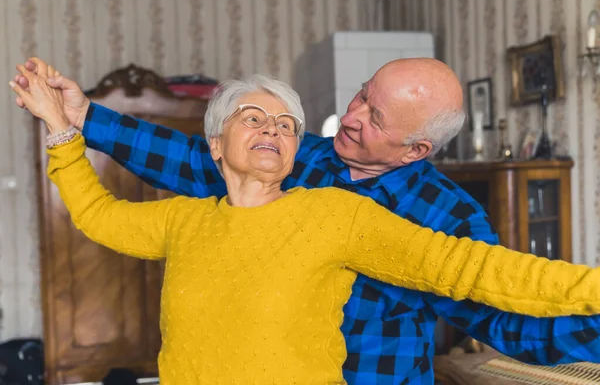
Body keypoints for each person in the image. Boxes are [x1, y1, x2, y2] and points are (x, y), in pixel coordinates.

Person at [15, 58, 600, 384]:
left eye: (375, 117)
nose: (350, 116)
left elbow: (501, 305)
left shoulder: (445, 215)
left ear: (416, 149)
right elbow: (163, 171)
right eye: (362, 94)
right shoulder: (288, 167)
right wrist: (81, 118)